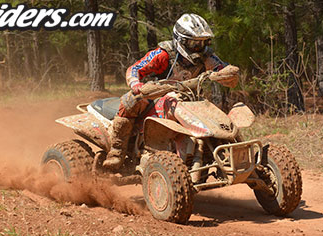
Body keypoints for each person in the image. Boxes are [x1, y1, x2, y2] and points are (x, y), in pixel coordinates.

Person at [103, 13, 240, 170]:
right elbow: (135, 68)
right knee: (130, 100)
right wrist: (136, 84)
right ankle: (117, 151)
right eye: (193, 42)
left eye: (202, 43)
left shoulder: (206, 55)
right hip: (158, 94)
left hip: (189, 97)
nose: (198, 47)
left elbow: (221, 68)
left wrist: (228, 74)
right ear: (180, 40)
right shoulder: (164, 54)